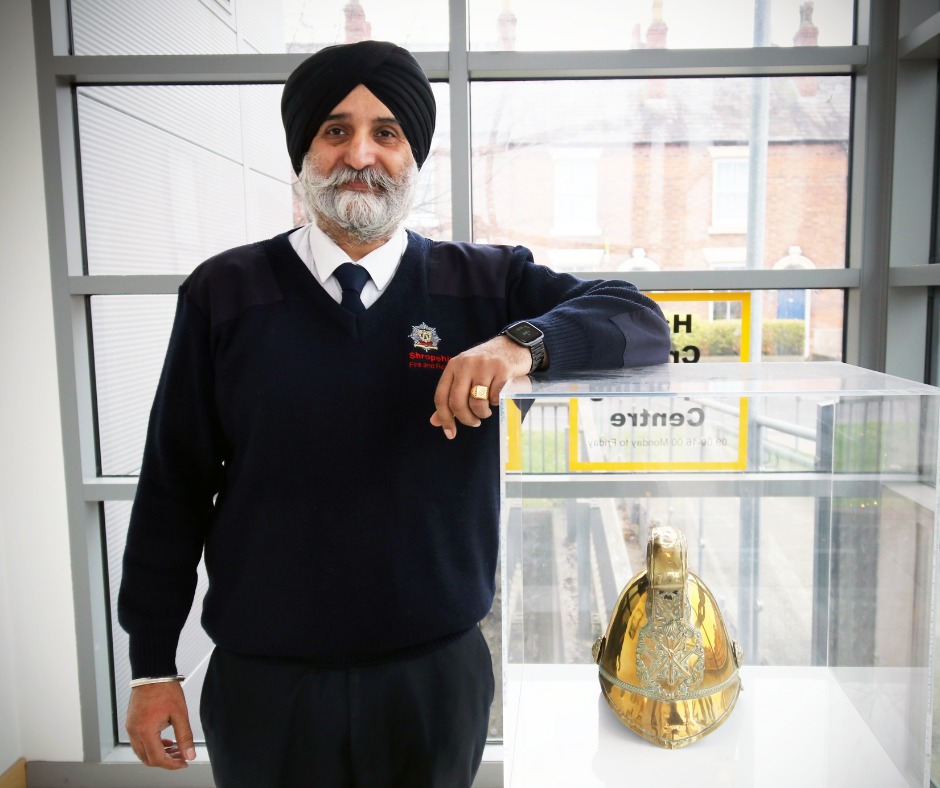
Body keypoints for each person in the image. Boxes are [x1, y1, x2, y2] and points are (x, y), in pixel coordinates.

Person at [118, 40, 671, 787]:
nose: (362, 154)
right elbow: (172, 489)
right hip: (266, 685)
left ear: (414, 156)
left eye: (387, 133)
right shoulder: (226, 292)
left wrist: (520, 346)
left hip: (433, 679)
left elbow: (639, 320)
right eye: (335, 131)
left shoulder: (485, 284)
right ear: (304, 153)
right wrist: (152, 667)